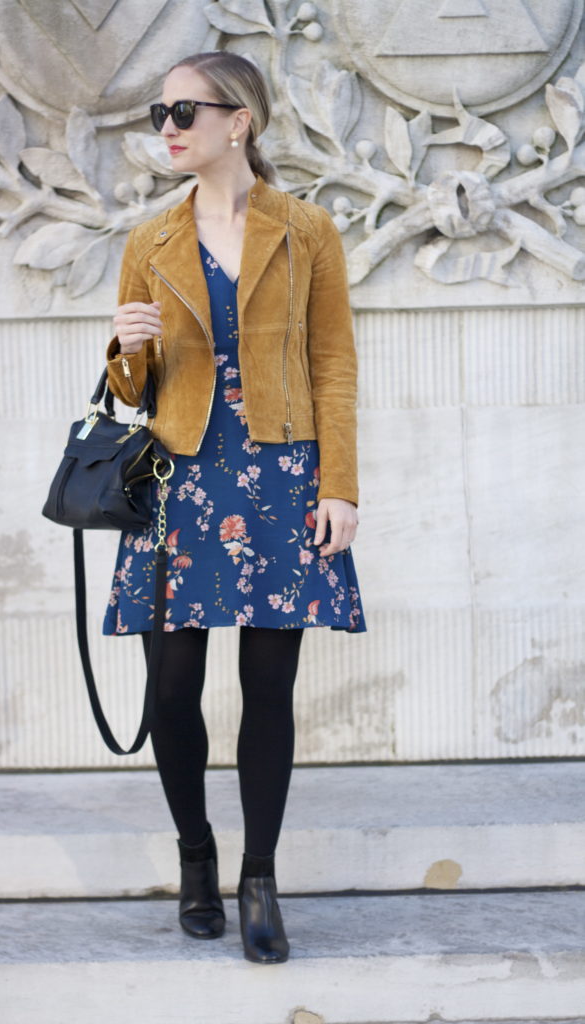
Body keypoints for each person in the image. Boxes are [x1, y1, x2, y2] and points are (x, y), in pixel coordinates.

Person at [104, 51, 366, 965]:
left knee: (268, 688)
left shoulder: (307, 232)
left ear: (238, 120)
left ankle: (258, 877)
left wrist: (340, 487)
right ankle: (195, 855)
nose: (167, 126)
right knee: (171, 687)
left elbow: (333, 365)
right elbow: (133, 390)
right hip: (176, 478)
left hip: (278, 477)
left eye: (184, 110)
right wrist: (122, 346)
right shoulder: (150, 240)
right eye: (158, 113)